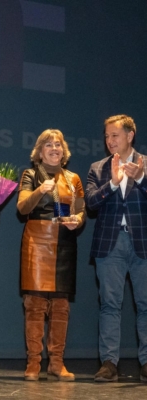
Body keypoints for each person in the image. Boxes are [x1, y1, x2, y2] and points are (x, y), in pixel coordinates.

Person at [17, 129, 85, 381]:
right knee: (34, 305)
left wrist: (76, 221)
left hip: (64, 242)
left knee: (61, 306)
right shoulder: (31, 175)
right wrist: (40, 191)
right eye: (48, 145)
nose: (54, 148)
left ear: (63, 151)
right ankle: (33, 363)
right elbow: (22, 208)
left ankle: (57, 362)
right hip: (37, 241)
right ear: (40, 151)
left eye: (58, 144)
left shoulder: (73, 178)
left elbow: (81, 210)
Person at [85, 114, 147, 383]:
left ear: (130, 136)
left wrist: (143, 179)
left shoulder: (145, 165)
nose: (110, 141)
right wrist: (111, 184)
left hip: (142, 244)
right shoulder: (98, 167)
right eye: (107, 136)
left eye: (115, 135)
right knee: (110, 305)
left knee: (146, 305)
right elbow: (90, 203)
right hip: (109, 244)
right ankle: (109, 362)